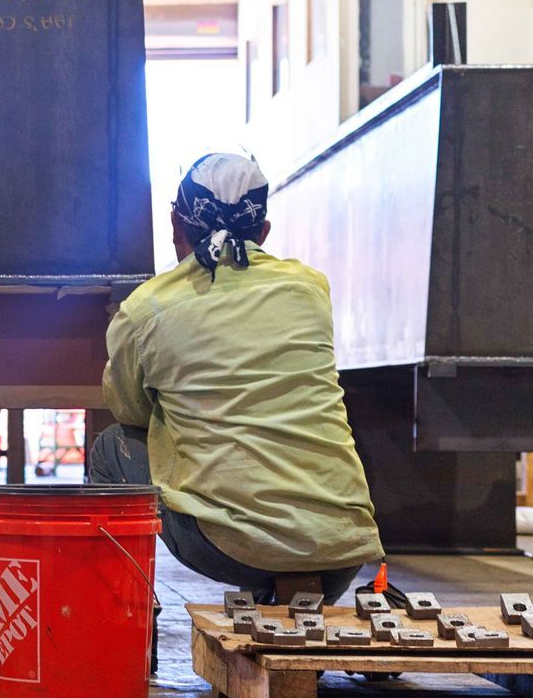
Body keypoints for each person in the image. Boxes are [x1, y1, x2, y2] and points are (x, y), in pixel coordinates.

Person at [89, 151, 381, 604]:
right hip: (342, 547)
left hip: (230, 550)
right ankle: (285, 597)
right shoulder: (310, 289)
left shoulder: (147, 309)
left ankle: (128, 620)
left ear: (174, 224)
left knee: (113, 446)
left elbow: (131, 411)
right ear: (263, 232)